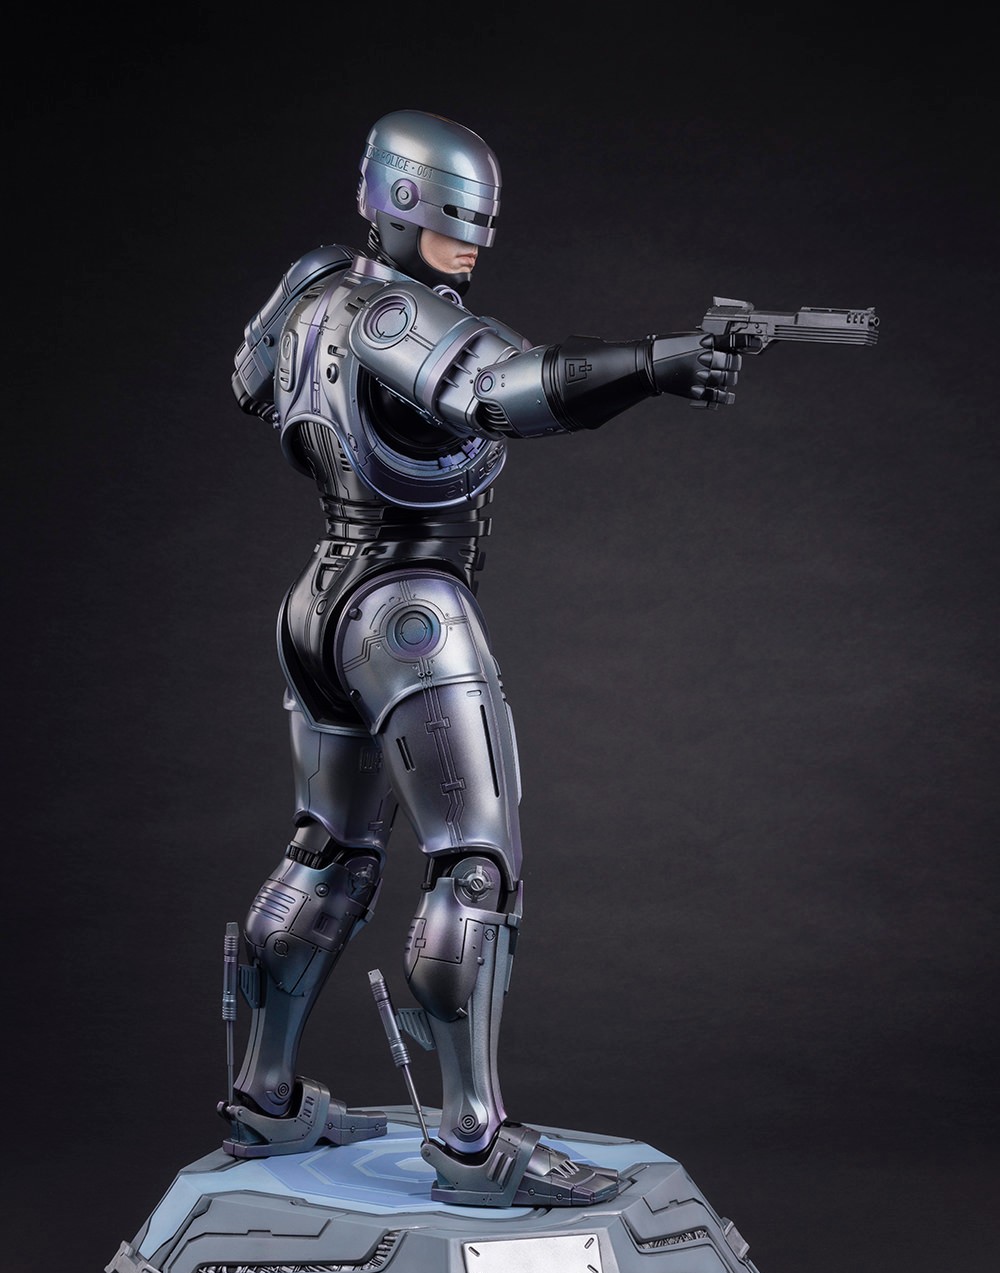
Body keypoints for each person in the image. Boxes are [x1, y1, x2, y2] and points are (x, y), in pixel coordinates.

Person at [225, 109, 743, 1207]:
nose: (469, 247)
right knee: (473, 866)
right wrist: (653, 364)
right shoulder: (391, 313)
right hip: (406, 605)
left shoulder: (311, 290)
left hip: (319, 600)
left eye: (478, 228)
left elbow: (248, 382)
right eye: (451, 224)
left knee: (329, 851)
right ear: (400, 203)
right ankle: (473, 1143)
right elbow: (505, 392)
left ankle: (263, 1099)